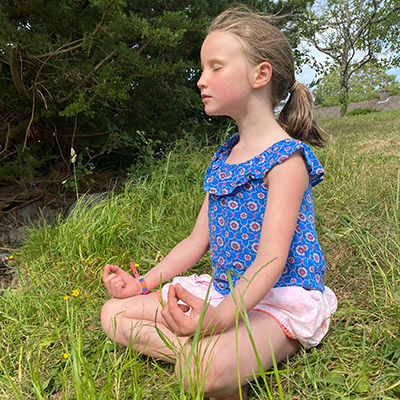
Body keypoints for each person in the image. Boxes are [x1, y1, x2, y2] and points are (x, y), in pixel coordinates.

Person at [101, 6, 337, 400]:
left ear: (260, 75)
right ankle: (203, 349)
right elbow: (196, 242)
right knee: (113, 313)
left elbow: (270, 259)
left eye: (214, 68)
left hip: (275, 297)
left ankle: (208, 354)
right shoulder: (224, 159)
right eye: (202, 69)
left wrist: (221, 318)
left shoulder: (287, 160)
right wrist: (141, 283)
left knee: (201, 374)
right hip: (227, 290)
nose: (200, 80)